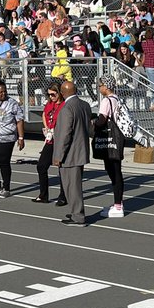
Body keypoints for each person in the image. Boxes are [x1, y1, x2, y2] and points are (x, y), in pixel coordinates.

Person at [52, 80, 92, 225]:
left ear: (62, 93)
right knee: (73, 185)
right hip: (80, 151)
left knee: (72, 187)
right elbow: (89, 128)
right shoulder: (84, 105)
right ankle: (75, 211)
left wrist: (58, 156)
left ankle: (78, 216)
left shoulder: (67, 108)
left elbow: (65, 135)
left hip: (70, 154)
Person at [94, 74, 129, 218]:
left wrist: (93, 123)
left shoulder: (106, 100)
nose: (99, 88)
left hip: (110, 139)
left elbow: (102, 119)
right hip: (118, 137)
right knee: (116, 170)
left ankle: (118, 206)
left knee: (113, 172)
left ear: (106, 86)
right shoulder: (117, 98)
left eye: (100, 85)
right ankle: (118, 202)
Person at [32, 82, 65, 205]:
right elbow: (44, 114)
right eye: (49, 94)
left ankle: (63, 195)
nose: (51, 97)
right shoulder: (50, 104)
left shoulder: (64, 105)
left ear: (59, 93)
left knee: (62, 168)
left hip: (61, 139)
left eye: (53, 94)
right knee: (41, 165)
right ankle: (43, 195)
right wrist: (47, 128)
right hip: (51, 139)